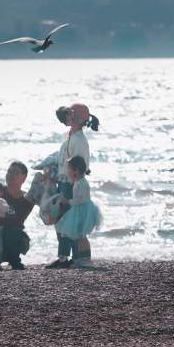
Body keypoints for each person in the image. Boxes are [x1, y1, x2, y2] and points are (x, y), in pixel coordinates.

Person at [46, 103, 100, 269]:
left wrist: (70, 185)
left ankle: (77, 257)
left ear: (77, 118)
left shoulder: (80, 140)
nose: (67, 115)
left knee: (71, 222)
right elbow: (65, 161)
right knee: (61, 221)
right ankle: (65, 258)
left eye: (70, 113)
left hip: (71, 184)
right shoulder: (70, 136)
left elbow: (80, 167)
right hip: (64, 182)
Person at [54, 156, 102, 268]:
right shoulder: (78, 182)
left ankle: (86, 259)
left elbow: (82, 199)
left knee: (82, 236)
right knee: (78, 236)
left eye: (69, 169)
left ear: (75, 171)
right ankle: (80, 258)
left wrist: (68, 201)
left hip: (83, 211)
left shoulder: (82, 183)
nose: (67, 171)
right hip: (78, 210)